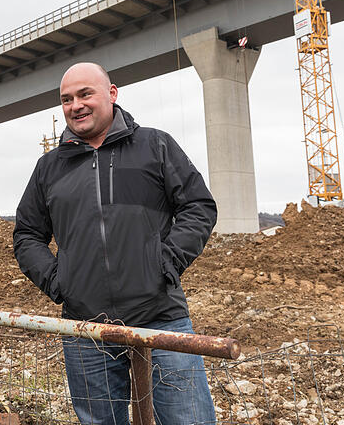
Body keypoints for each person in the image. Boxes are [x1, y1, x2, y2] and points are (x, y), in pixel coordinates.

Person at [13, 62, 218, 425]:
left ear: (111, 93)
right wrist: (60, 282)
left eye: (85, 94)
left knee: (189, 420)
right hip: (85, 329)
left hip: (160, 318)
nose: (75, 105)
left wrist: (164, 263)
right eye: (66, 99)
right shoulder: (49, 168)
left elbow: (198, 206)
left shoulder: (154, 146)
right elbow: (27, 235)